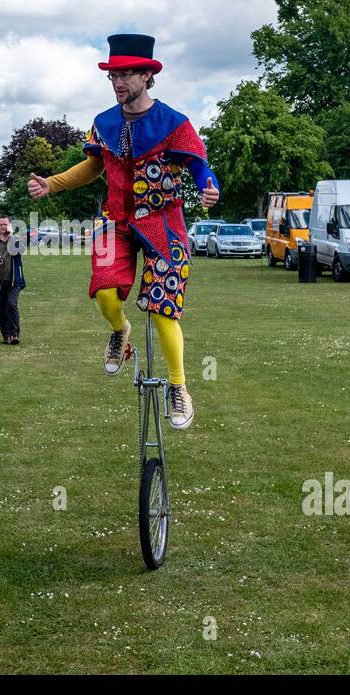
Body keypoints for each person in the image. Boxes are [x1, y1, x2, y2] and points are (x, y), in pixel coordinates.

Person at [28, 33, 220, 430]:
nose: (119, 82)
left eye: (127, 74)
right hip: (115, 220)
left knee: (164, 307)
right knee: (103, 291)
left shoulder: (174, 123)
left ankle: (179, 387)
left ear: (148, 76)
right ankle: (120, 332)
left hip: (164, 223)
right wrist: (53, 183)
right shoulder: (103, 123)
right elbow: (92, 167)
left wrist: (207, 185)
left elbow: (199, 163)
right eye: (113, 75)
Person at [0, 215, 26, 344]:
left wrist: (12, 236)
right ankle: (6, 335)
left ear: (10, 225)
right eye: (1, 224)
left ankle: (14, 335)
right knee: (1, 308)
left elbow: (20, 251)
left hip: (14, 280)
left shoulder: (16, 240)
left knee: (11, 305)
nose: (3, 227)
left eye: (5, 224)